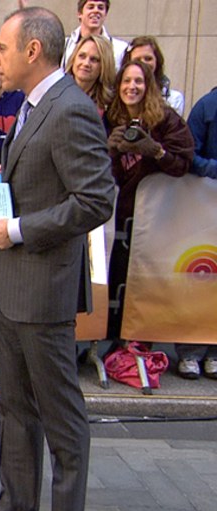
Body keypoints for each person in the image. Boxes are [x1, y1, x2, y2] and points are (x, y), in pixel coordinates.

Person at [0, 8, 115, 511]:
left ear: (33, 52)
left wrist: (18, 228)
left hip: (42, 287)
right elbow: (37, 180)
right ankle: (17, 507)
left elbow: (95, 200)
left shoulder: (69, 109)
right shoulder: (32, 103)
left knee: (59, 410)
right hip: (9, 280)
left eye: (2, 44)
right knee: (13, 405)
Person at [106, 61, 194, 342]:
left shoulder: (165, 120)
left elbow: (184, 163)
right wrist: (109, 149)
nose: (132, 87)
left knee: (145, 282)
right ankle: (113, 339)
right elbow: (94, 167)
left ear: (149, 86)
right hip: (116, 217)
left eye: (139, 82)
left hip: (154, 220)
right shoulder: (110, 118)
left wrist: (155, 151)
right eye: (127, 81)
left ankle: (141, 342)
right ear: (118, 86)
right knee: (115, 279)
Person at [175, 88, 217, 379]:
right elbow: (190, 155)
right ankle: (190, 352)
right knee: (198, 276)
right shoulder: (207, 107)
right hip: (203, 208)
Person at [122, 36, 184, 116]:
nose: (143, 63)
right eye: (137, 60)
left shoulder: (173, 99)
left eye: (148, 59)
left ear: (157, 61)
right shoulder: (119, 98)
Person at [62, 0, 127, 70]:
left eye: (100, 8)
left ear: (105, 14)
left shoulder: (120, 49)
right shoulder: (64, 45)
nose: (96, 11)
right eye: (91, 7)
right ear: (79, 13)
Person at [65, 35, 115, 122]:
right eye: (82, 56)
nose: (86, 63)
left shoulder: (110, 106)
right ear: (73, 58)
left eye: (94, 59)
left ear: (104, 66)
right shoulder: (56, 92)